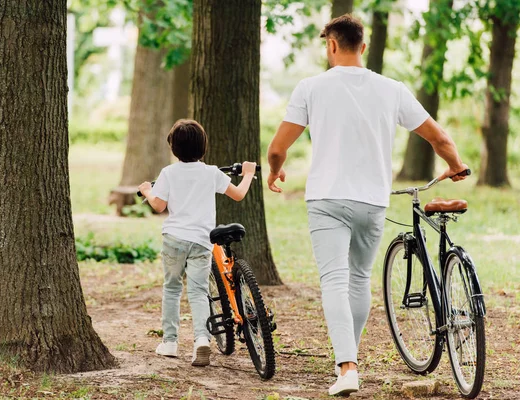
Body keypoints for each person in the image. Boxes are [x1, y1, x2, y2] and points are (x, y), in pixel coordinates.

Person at [266, 14, 469, 396]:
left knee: (334, 281)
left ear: (331, 45)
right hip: (372, 201)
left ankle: (347, 367)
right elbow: (438, 137)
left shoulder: (311, 87)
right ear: (363, 45)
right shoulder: (391, 89)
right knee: (359, 278)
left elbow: (277, 148)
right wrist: (456, 166)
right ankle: (349, 359)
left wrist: (276, 172)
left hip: (327, 198)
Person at [138, 119, 257, 367]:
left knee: (171, 288)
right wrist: (248, 174)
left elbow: (159, 205)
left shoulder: (168, 173)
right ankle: (202, 339)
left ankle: (170, 342)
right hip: (202, 241)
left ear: (173, 148)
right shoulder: (211, 172)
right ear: (203, 147)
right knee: (198, 292)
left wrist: (148, 190)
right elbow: (239, 194)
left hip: (174, 240)